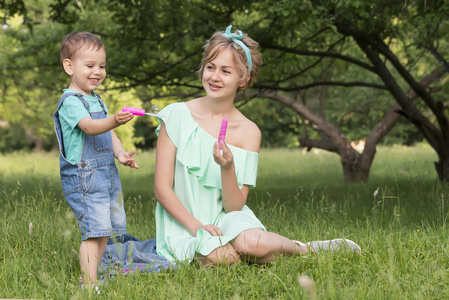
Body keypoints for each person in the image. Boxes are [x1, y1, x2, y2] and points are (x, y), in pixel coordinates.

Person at [154, 25, 360, 266]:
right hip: (184, 222)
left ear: (244, 79)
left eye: (226, 71)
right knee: (226, 259)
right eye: (210, 67)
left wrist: (228, 167)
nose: (214, 77)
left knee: (250, 243)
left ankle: (307, 249)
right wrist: (198, 227)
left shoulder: (249, 132)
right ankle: (252, 252)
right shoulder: (176, 115)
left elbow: (234, 207)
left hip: (227, 218)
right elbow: (162, 189)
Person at [52, 31, 139, 285]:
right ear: (69, 66)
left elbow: (106, 132)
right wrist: (113, 119)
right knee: (93, 233)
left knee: (104, 231)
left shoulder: (96, 99)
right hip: (84, 179)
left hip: (106, 174)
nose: (97, 71)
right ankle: (89, 285)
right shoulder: (70, 102)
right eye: (89, 65)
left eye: (102, 66)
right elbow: (90, 126)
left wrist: (120, 153)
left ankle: (95, 275)